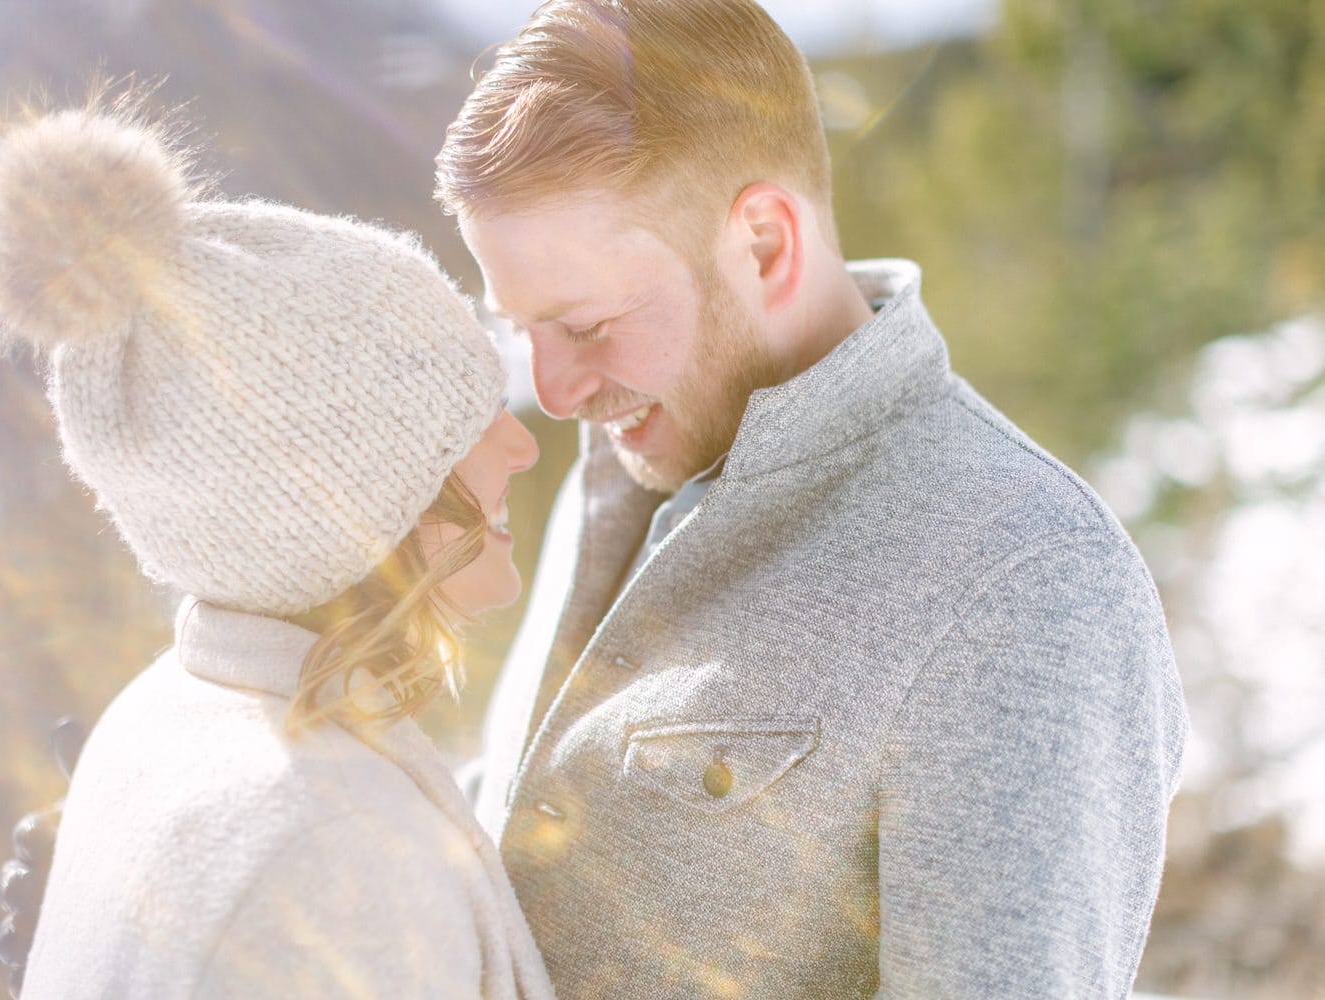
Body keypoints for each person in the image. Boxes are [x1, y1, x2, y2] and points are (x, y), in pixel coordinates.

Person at [433, 1, 1189, 997]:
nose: (556, 389)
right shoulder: (621, 462)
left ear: (761, 244)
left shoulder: (1022, 578)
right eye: (519, 330)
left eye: (583, 324)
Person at [0, 100, 554, 999]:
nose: (524, 447)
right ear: (338, 500)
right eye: (466, 420)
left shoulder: (166, 716)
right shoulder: (340, 859)